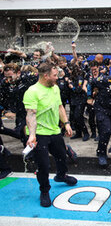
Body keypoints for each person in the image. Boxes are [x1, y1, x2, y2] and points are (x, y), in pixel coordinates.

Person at [23, 62, 77, 208]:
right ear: (45, 76)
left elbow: (60, 106)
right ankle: (45, 191)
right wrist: (32, 135)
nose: (57, 78)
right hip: (39, 134)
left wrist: (66, 123)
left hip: (54, 131)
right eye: (55, 75)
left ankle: (61, 176)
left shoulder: (55, 88)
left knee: (61, 157)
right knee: (44, 165)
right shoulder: (32, 91)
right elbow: (31, 115)